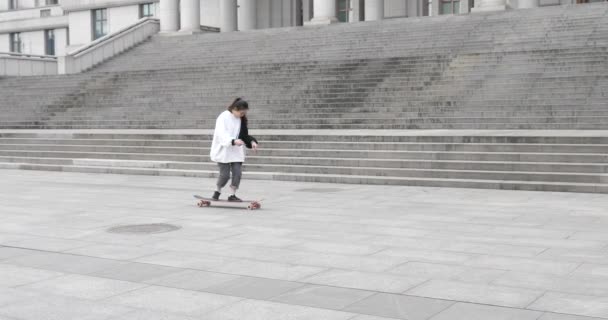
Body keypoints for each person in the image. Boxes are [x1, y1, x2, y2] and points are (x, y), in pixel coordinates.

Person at [209, 98, 258, 202]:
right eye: (241, 112)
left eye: (244, 113)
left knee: (237, 173)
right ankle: (217, 191)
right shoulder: (223, 117)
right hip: (224, 150)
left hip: (236, 151)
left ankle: (232, 195)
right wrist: (232, 141)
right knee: (225, 175)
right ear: (235, 109)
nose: (242, 115)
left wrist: (252, 142)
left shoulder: (241, 119)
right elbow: (221, 133)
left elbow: (244, 135)